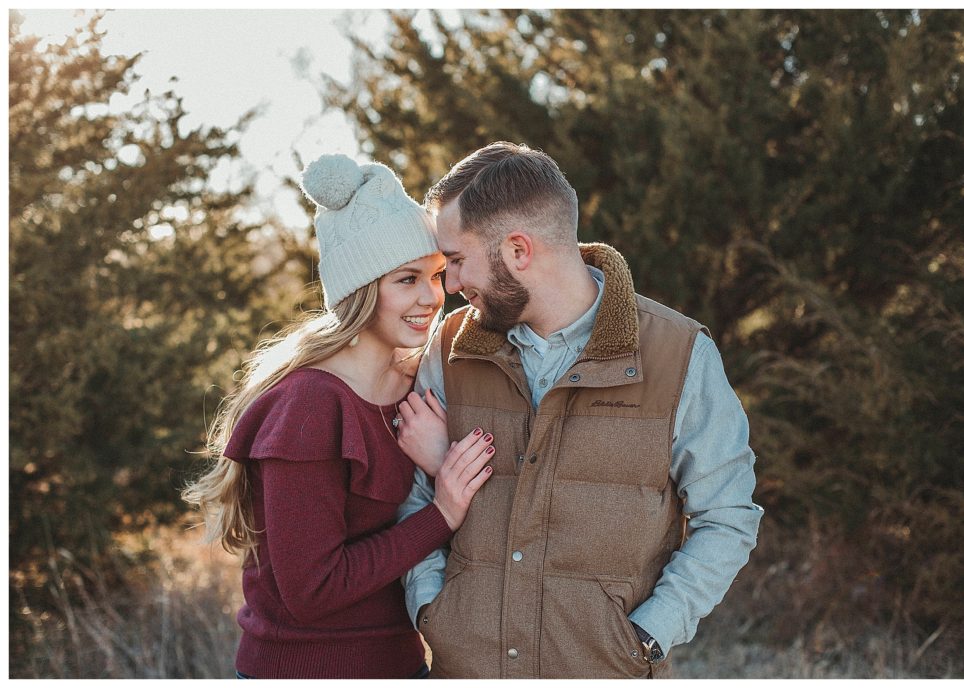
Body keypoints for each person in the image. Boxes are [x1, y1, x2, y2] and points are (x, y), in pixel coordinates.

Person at [394, 142, 764, 679]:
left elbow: (727, 516)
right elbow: (413, 494)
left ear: (518, 251)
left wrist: (648, 635)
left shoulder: (678, 354)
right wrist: (432, 610)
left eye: (455, 261)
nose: (448, 286)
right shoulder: (449, 349)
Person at [182, 154, 495, 679]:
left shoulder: (422, 387)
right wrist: (440, 514)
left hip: (399, 663)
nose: (431, 297)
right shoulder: (308, 406)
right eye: (407, 279)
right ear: (362, 288)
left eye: (437, 275)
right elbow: (313, 590)